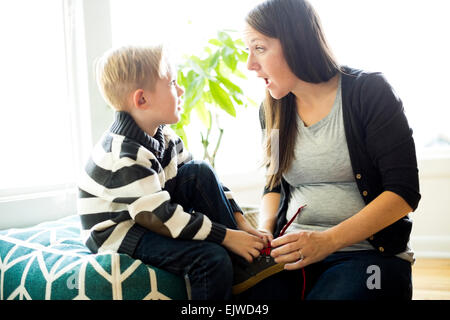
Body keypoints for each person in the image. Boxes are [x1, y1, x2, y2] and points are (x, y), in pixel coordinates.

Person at [239, 0, 421, 300]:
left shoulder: (369, 92)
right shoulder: (271, 109)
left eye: (259, 48)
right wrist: (266, 229)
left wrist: (326, 241)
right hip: (293, 255)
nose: (249, 64)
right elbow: (273, 183)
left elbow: (403, 194)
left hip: (367, 255)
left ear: (295, 41)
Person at [76, 45, 270, 300]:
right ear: (142, 100)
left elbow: (203, 182)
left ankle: (243, 261)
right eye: (172, 84)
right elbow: (159, 217)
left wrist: (241, 226)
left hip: (148, 210)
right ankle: (234, 265)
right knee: (211, 259)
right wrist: (225, 237)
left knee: (199, 170)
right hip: (124, 230)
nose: (180, 90)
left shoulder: (163, 135)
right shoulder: (124, 157)